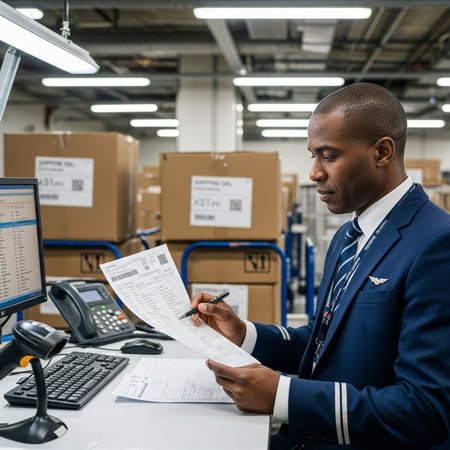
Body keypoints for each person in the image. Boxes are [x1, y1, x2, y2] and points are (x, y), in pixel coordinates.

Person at [190, 82, 450, 450]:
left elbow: (427, 412)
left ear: (382, 152)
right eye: (312, 155)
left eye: (328, 156)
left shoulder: (436, 244)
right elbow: (321, 343)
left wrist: (282, 396)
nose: (313, 172)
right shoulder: (348, 238)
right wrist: (244, 333)